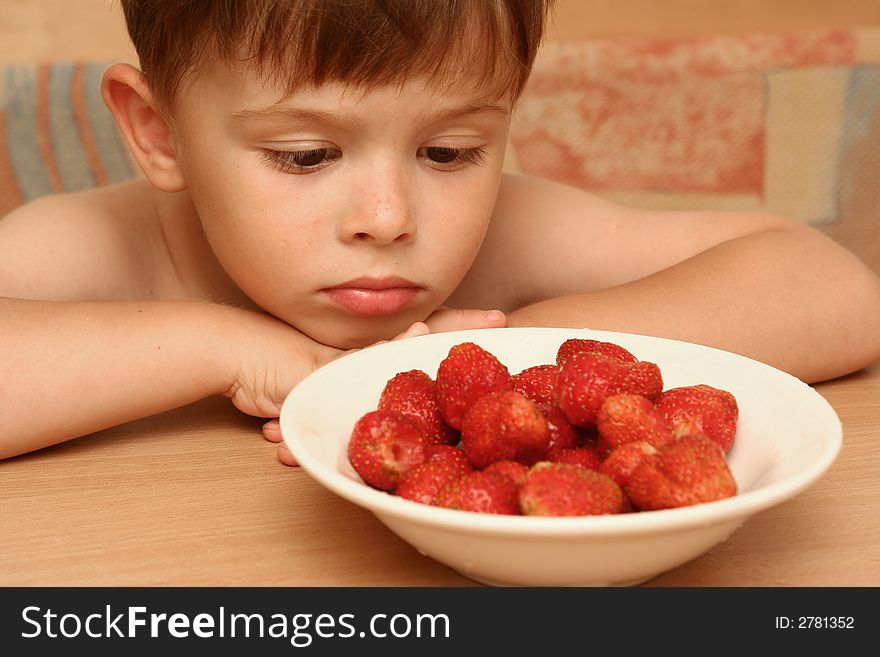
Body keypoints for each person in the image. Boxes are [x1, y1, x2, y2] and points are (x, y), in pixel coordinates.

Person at [2, 0, 879, 466]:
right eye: (306, 156)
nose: (388, 219)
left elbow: (836, 291)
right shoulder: (106, 249)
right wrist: (223, 346)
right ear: (159, 132)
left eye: (450, 149)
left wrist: (506, 366)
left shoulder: (513, 234)